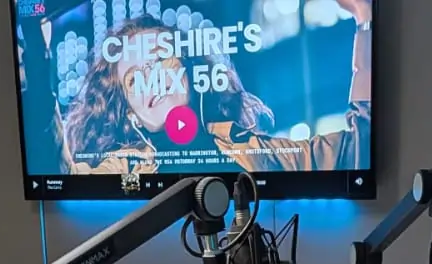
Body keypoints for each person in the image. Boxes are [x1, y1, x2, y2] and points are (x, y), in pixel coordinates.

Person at [61, 0, 372, 175]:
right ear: (131, 115)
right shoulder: (117, 172)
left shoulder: (259, 154)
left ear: (192, 71)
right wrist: (38, 57)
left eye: (160, 59)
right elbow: (60, 171)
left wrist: (365, 17)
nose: (151, 77)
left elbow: (359, 146)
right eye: (134, 78)